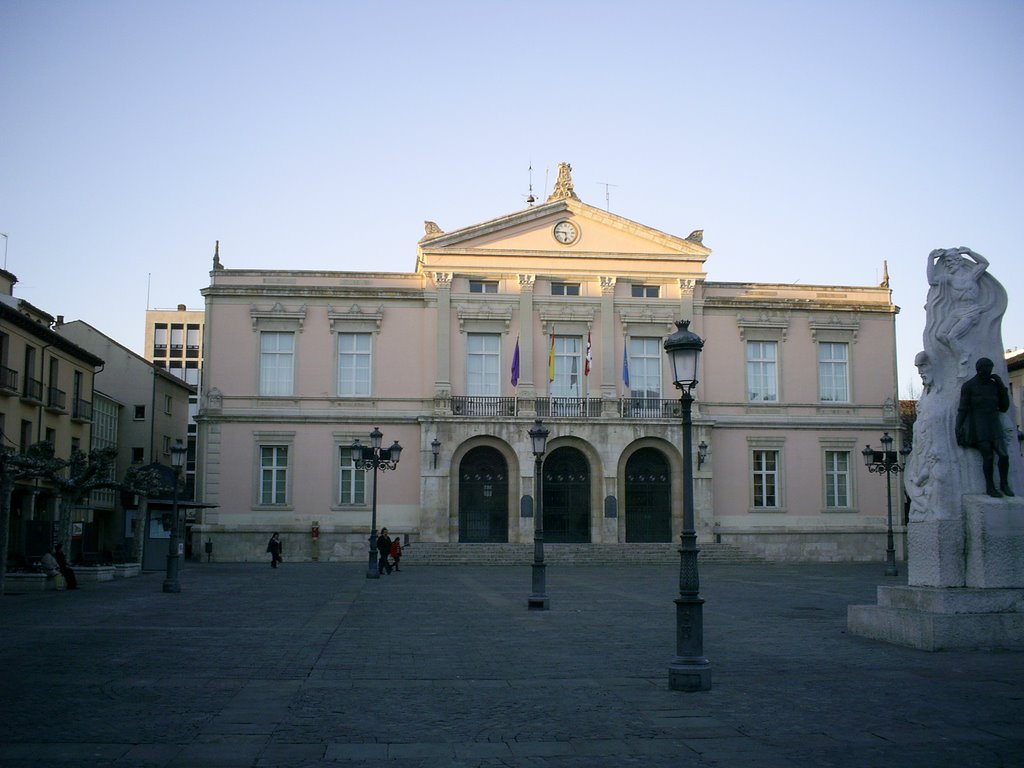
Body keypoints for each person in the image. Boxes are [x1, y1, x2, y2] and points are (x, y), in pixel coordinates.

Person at [956, 357, 1013, 498]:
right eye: (986, 369)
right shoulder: (969, 386)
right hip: (979, 425)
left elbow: (1004, 407)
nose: (988, 372)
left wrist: (1001, 386)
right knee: (988, 456)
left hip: (994, 423)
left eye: (990, 369)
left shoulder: (994, 386)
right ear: (979, 369)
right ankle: (989, 486)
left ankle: (1004, 484)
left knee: (1004, 455)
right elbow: (962, 409)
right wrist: (958, 427)